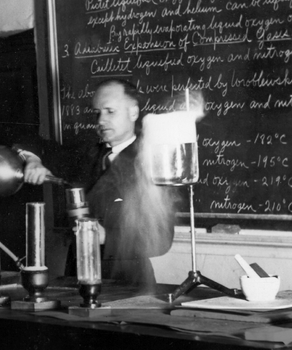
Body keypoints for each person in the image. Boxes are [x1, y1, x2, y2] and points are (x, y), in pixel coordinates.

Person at [19, 79, 176, 292]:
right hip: (77, 278)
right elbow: (35, 143)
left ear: (133, 113)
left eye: (110, 111)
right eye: (97, 112)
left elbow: (161, 239)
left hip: (126, 283)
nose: (101, 120)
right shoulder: (85, 154)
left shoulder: (152, 162)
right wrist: (33, 160)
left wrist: (105, 236)